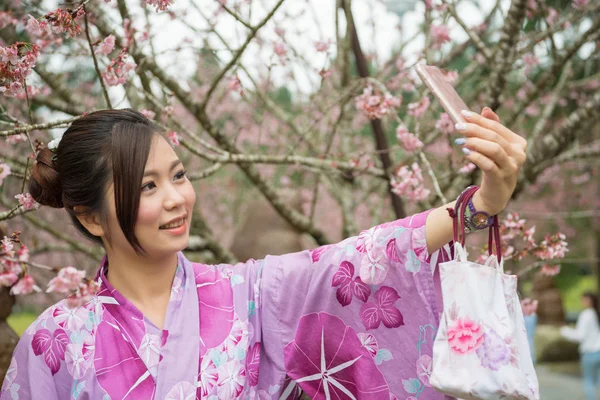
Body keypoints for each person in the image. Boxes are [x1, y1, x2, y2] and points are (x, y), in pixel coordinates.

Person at [0, 107, 527, 399]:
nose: (176, 199)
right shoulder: (55, 340)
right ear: (91, 217)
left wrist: (479, 205)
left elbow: (354, 261)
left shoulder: (247, 295)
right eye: (147, 187)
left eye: (178, 176)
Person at [561, 292, 600, 400]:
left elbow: (580, 336)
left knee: (588, 381)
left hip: (589, 353)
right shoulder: (595, 313)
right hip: (598, 351)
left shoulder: (586, 314)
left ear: (588, 301)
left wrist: (564, 331)